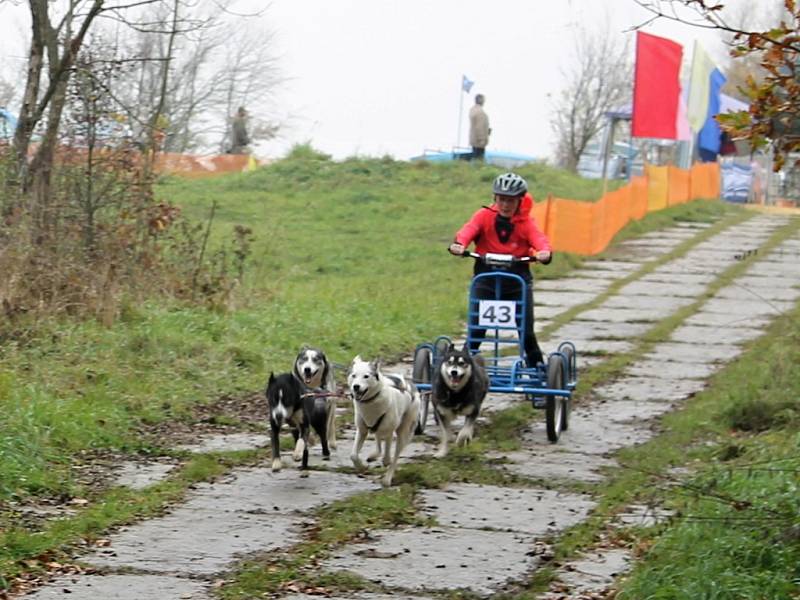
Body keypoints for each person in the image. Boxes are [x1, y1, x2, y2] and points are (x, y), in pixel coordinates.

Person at [448, 172, 552, 367]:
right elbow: (469, 229)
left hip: (517, 282)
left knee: (526, 332)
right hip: (486, 279)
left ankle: (538, 370)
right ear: (495, 199)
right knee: (476, 329)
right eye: (502, 200)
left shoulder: (525, 222)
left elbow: (538, 238)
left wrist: (544, 251)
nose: (506, 205)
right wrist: (460, 244)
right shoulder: (484, 216)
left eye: (511, 201)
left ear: (520, 201)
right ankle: (462, 367)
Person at [468, 94, 490, 161]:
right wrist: (482, 140)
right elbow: (479, 127)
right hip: (479, 142)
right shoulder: (480, 112)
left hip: (473, 139)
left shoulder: (473, 110)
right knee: (479, 159)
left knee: (475, 156)